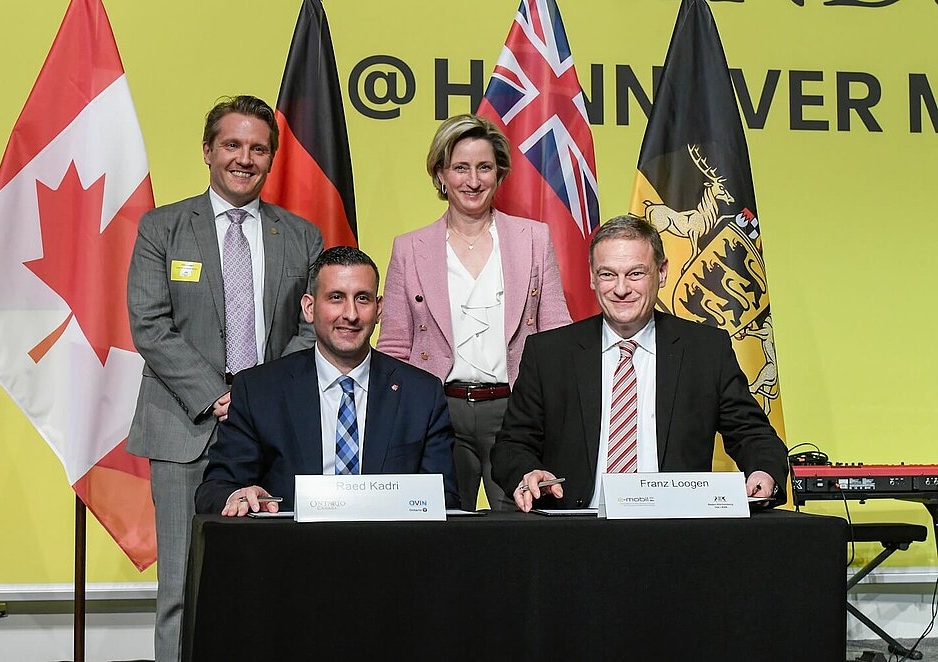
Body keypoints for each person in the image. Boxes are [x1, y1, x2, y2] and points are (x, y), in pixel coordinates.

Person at [126, 95, 323, 662]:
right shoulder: (162, 227)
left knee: (276, 583)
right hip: (182, 428)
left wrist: (258, 400)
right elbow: (150, 324)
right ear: (208, 151)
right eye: (232, 145)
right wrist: (218, 396)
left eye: (258, 148)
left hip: (272, 428)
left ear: (271, 159)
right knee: (181, 587)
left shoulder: (302, 236)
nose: (244, 158)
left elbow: (311, 328)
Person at [491, 214, 788, 512]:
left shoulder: (706, 351)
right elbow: (512, 445)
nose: (621, 289)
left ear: (662, 272)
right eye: (608, 274)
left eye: (635, 274)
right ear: (592, 276)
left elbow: (753, 434)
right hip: (576, 524)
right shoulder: (549, 353)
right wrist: (527, 472)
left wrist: (763, 471)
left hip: (675, 523)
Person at [377, 114, 571, 511]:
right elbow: (394, 347)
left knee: (522, 526)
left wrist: (557, 413)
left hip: (516, 411)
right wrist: (396, 420)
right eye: (460, 168)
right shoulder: (409, 248)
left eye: (484, 167)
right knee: (441, 527)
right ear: (440, 174)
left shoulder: (534, 238)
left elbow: (557, 333)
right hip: (438, 411)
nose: (473, 180)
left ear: (499, 174)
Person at [195, 246, 459, 514]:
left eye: (363, 299)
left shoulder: (422, 394)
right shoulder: (258, 390)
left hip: (391, 540)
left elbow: (444, 499)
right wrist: (239, 496)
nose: (351, 314)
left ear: (379, 309)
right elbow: (215, 489)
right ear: (309, 308)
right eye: (336, 298)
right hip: (291, 540)